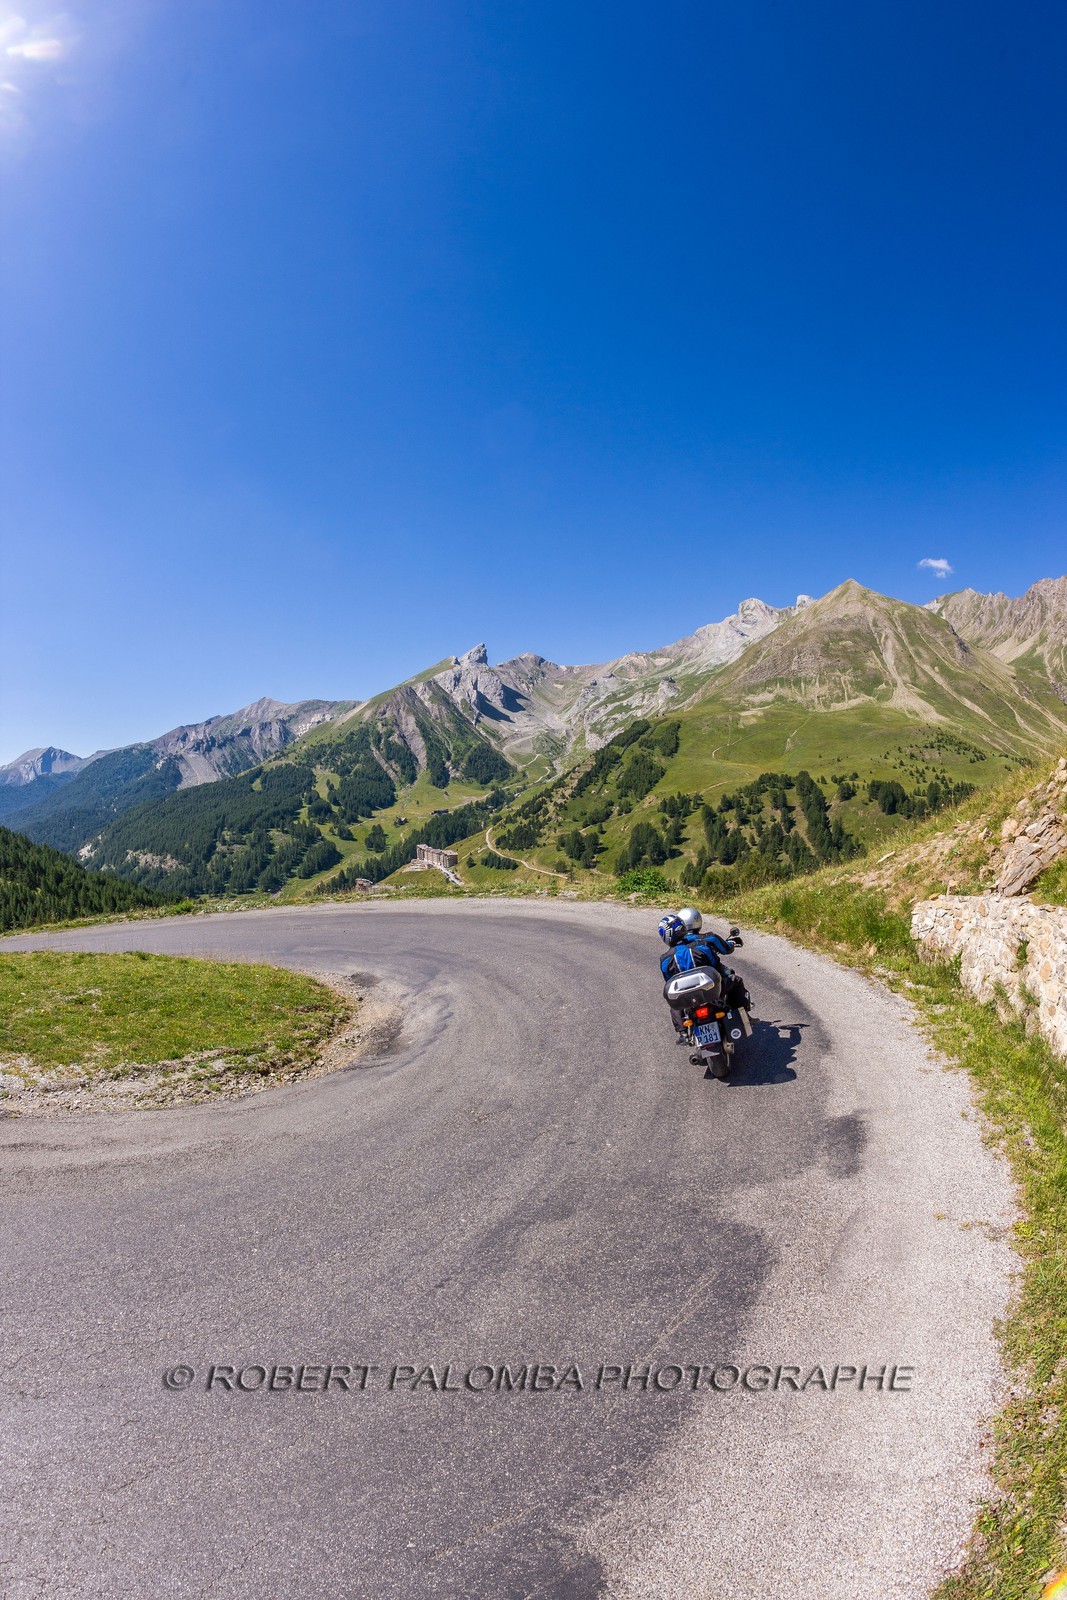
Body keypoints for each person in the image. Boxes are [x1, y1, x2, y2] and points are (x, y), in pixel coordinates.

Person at [658, 907, 751, 1039]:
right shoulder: (702, 945)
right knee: (736, 981)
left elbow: (669, 982)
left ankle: (682, 1031)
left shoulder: (665, 960)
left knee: (674, 1002)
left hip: (686, 998)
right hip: (711, 990)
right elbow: (714, 965)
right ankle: (742, 1015)